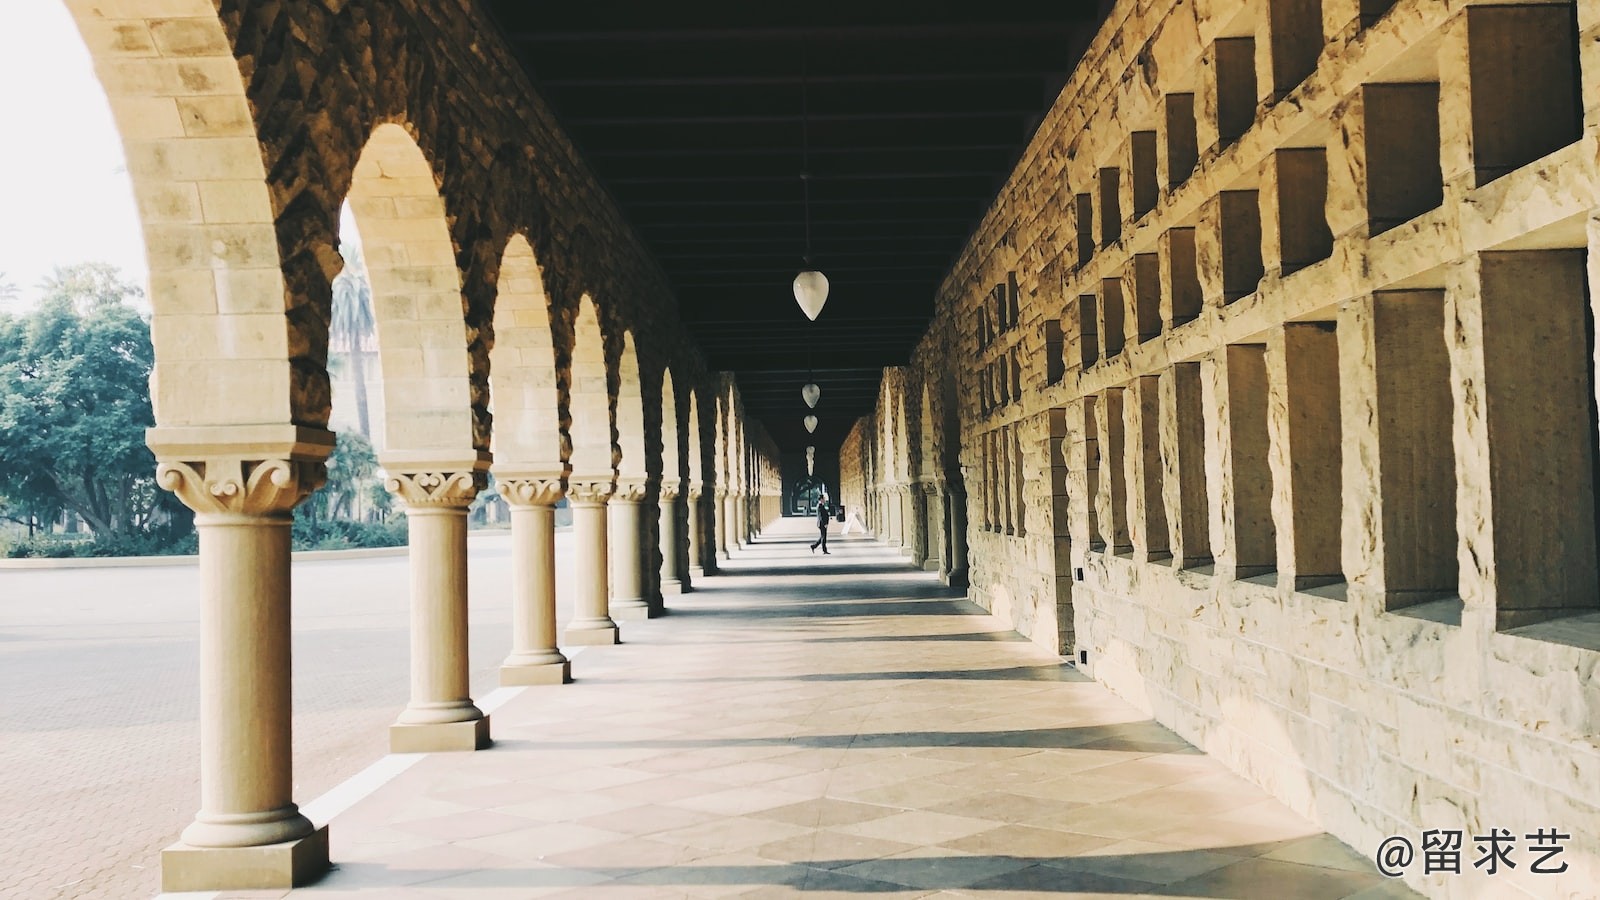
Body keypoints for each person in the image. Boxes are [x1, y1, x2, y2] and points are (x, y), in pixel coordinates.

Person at [810, 489, 832, 554]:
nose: (825, 500)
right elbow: (821, 516)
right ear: (821, 499)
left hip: (822, 523)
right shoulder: (820, 506)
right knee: (823, 537)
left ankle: (814, 546)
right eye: (824, 498)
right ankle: (824, 550)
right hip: (822, 524)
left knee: (822, 536)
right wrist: (825, 523)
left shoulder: (821, 506)